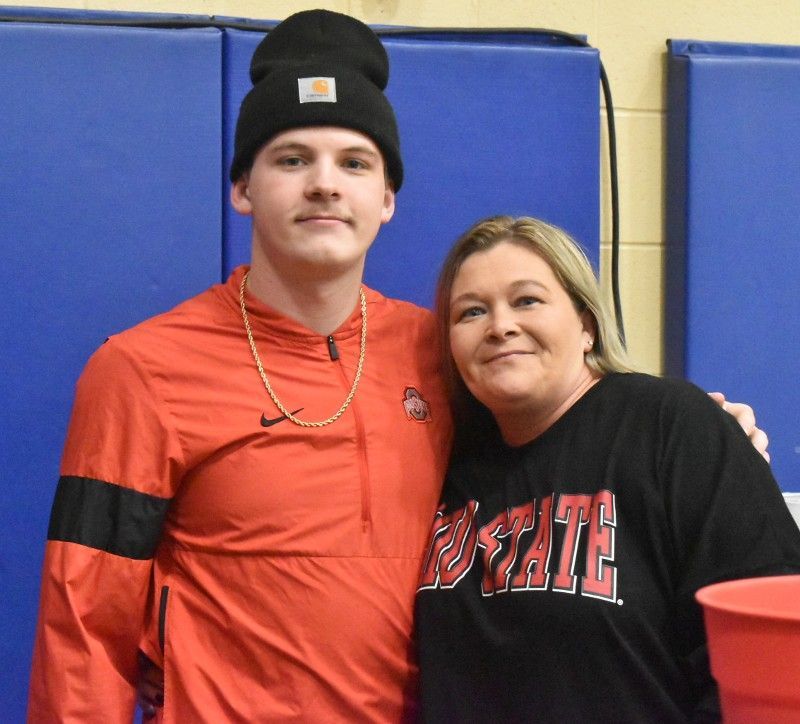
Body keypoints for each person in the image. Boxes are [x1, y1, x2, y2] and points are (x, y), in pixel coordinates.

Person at [28, 11, 769, 723]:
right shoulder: (141, 370)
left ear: (385, 200)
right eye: (292, 159)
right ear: (243, 189)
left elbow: (559, 438)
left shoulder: (439, 350)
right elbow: (83, 623)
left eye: (354, 163)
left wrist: (704, 441)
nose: (325, 184)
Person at [414, 215, 800, 723]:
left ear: (587, 325)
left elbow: (769, 648)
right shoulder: (442, 462)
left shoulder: (673, 428)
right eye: (471, 312)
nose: (500, 326)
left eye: (527, 300)